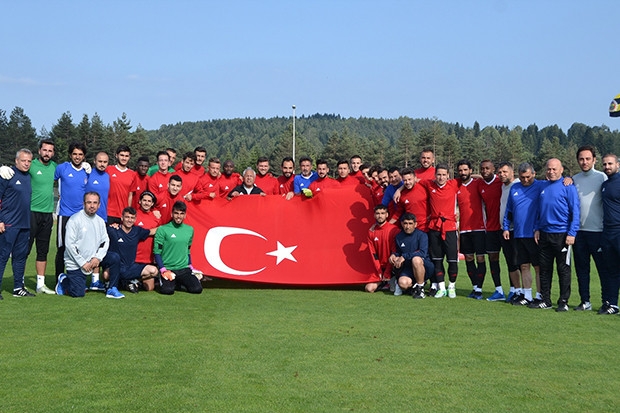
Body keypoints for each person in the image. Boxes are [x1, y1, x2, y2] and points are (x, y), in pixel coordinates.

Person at [529, 158, 579, 311]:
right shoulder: (543, 186)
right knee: (545, 269)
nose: (551, 172)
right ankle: (546, 300)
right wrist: (537, 228)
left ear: (561, 170)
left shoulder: (568, 186)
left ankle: (563, 301)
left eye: (554, 169)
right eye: (549, 169)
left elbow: (575, 212)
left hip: (562, 235)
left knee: (563, 269)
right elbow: (540, 210)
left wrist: (572, 233)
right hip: (544, 234)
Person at [55, 192, 124, 299]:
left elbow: (105, 241)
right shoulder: (74, 220)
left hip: (93, 259)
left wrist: (97, 257)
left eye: (95, 203)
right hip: (76, 262)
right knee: (78, 293)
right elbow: (69, 245)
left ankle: (112, 288)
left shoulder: (100, 221)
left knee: (114, 257)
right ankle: (65, 281)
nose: (92, 206)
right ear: (84, 203)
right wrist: (83, 263)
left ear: (99, 205)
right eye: (89, 202)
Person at [502, 163, 543, 306]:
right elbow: (509, 210)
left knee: (538, 267)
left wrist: (568, 179)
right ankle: (527, 296)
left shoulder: (541, 186)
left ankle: (539, 295)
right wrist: (506, 227)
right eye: (522, 177)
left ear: (534, 174)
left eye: (528, 177)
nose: (525, 180)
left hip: (534, 235)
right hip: (518, 234)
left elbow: (557, 181)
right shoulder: (515, 187)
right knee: (524, 266)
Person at [572, 145, 607, 311]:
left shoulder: (603, 177)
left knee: (603, 270)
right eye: (581, 159)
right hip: (579, 233)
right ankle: (585, 301)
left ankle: (607, 301)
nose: (584, 162)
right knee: (582, 270)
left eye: (587, 159)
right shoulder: (574, 179)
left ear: (594, 160)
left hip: (598, 232)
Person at [419, 164, 459, 298]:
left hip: (450, 228)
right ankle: (441, 287)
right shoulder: (429, 185)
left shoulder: (454, 184)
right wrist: (399, 189)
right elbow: (413, 180)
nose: (441, 177)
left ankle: (451, 286)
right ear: (435, 175)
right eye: (439, 174)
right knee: (437, 260)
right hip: (434, 227)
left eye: (443, 174)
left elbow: (471, 178)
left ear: (448, 175)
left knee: (452, 260)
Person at [0, 149, 36, 298]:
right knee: (2, 256)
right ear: (16, 161)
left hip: (24, 224)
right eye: (23, 160)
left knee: (20, 257)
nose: (26, 163)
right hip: (8, 224)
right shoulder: (7, 175)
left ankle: (18, 288)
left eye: (29, 161)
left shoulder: (28, 177)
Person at [54, 142, 91, 279]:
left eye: (80, 154)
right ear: (70, 155)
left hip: (81, 217)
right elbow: (47, 180)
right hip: (64, 214)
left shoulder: (87, 172)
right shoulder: (61, 168)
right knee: (62, 248)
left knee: (79, 248)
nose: (77, 157)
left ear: (84, 156)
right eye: (75, 154)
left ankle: (76, 278)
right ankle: (59, 279)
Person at [154, 201, 203, 295]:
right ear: (172, 214)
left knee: (197, 289)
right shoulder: (162, 229)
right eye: (176, 213)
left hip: (184, 269)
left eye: (181, 214)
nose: (179, 216)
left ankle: (178, 283)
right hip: (168, 269)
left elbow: (188, 250)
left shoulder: (190, 230)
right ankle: (167, 281)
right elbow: (157, 252)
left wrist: (190, 265)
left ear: (185, 215)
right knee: (167, 291)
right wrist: (162, 269)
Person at [106, 207, 158, 293]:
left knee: (154, 271)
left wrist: (169, 227)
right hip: (117, 267)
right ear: (122, 218)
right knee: (105, 275)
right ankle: (121, 282)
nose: (129, 220)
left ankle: (131, 281)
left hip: (131, 266)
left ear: (135, 219)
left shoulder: (137, 231)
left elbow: (152, 231)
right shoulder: (113, 230)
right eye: (127, 217)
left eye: (132, 218)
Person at [28, 140, 57, 294]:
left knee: (43, 250)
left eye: (50, 151)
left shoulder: (55, 167)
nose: (47, 153)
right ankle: (18, 282)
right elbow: (17, 170)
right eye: (45, 150)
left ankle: (40, 284)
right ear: (39, 151)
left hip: (47, 214)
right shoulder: (31, 165)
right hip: (31, 212)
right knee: (24, 249)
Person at [455, 160, 487, 299]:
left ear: (470, 170)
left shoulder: (477, 183)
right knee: (468, 258)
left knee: (480, 258)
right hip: (464, 229)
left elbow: (485, 178)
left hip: (479, 227)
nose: (463, 173)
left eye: (465, 170)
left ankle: (479, 289)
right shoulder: (456, 186)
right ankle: (474, 287)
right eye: (460, 170)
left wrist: (477, 176)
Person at [478, 160, 507, 302]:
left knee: (511, 260)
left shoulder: (501, 182)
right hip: (490, 229)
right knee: (493, 259)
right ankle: (499, 290)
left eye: (487, 168)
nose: (484, 171)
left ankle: (516, 290)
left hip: (505, 228)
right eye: (482, 169)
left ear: (494, 169)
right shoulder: (480, 185)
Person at [389, 213, 434, 299]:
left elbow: (422, 253)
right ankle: (412, 287)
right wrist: (394, 256)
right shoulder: (399, 237)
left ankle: (420, 289)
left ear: (415, 224)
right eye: (405, 223)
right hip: (408, 268)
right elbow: (399, 252)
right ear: (402, 224)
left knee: (416, 259)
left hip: (424, 266)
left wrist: (404, 256)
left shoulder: (422, 235)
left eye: (410, 223)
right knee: (403, 283)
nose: (407, 226)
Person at [598, 154, 620, 314]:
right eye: (604, 164)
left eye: (610, 164)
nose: (607, 167)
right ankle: (612, 304)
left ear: (617, 164)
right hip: (607, 233)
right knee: (611, 270)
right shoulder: (604, 184)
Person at [497, 162, 521, 302]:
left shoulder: (519, 184)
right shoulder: (503, 186)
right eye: (500, 172)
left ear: (513, 172)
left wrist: (569, 179)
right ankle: (515, 290)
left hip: (517, 231)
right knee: (510, 262)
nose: (502, 175)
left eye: (505, 172)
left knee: (520, 263)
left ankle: (524, 292)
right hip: (504, 230)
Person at [366, 204, 399, 293]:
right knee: (369, 289)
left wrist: (387, 272)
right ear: (374, 215)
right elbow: (373, 254)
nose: (380, 216)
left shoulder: (394, 230)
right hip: (380, 268)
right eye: (377, 213)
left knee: (394, 289)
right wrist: (379, 271)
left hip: (392, 267)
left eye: (382, 213)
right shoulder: (371, 232)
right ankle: (383, 282)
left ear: (387, 215)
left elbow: (394, 251)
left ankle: (392, 280)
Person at [135, 191, 161, 291]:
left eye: (149, 201)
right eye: (144, 200)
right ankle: (128, 279)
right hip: (135, 257)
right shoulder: (134, 215)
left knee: (149, 288)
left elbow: (161, 231)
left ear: (152, 203)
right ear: (140, 201)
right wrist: (151, 231)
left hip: (148, 258)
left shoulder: (156, 217)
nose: (146, 203)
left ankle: (134, 280)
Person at [389, 168, 429, 233]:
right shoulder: (401, 195)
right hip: (411, 229)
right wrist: (388, 224)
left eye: (409, 179)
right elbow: (398, 212)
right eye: (405, 180)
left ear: (415, 178)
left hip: (426, 228)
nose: (407, 182)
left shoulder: (424, 187)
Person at [106, 145, 135, 224]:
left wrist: (128, 212)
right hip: (109, 212)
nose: (124, 158)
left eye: (126, 156)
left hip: (123, 214)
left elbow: (130, 195)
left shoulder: (132, 174)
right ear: (116, 155)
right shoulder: (108, 169)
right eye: (122, 155)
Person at [85, 151, 110, 222]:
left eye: (105, 162)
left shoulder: (108, 176)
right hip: (88, 217)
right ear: (94, 161)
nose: (102, 164)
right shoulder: (88, 174)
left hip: (103, 217)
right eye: (100, 161)